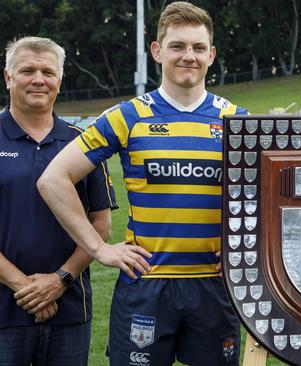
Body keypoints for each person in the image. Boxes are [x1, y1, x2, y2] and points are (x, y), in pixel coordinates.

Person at [37, 2, 247, 365]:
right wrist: (100, 249)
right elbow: (54, 179)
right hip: (147, 284)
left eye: (198, 48)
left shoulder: (238, 121)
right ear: (157, 50)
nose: (189, 56)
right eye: (178, 46)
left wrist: (246, 246)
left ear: (211, 55)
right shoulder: (127, 116)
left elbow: (272, 196)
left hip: (215, 285)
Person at [0, 36, 116, 365]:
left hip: (69, 309)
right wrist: (26, 287)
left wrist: (60, 280)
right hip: (5, 312)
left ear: (60, 80)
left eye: (48, 72)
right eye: (27, 70)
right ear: (8, 77)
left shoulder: (83, 144)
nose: (39, 79)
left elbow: (101, 224)